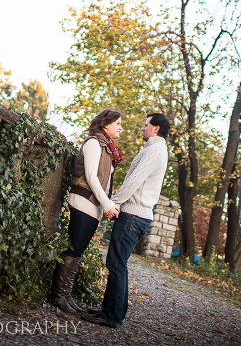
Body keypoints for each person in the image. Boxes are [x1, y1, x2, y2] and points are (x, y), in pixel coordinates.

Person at [81, 112, 170, 328]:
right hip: (137, 215)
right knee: (117, 263)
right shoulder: (154, 149)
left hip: (134, 215)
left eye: (146, 125)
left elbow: (134, 181)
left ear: (155, 128)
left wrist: (112, 203)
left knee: (116, 263)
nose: (142, 128)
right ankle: (112, 312)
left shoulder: (155, 150)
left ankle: (111, 316)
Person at [49, 109, 123, 312]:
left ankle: (65, 293)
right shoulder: (93, 143)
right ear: (106, 124)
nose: (121, 128)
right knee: (74, 248)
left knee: (78, 249)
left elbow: (105, 181)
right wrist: (107, 204)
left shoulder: (107, 147)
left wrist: (106, 203)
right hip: (83, 201)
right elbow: (91, 177)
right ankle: (58, 295)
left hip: (94, 205)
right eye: (118, 123)